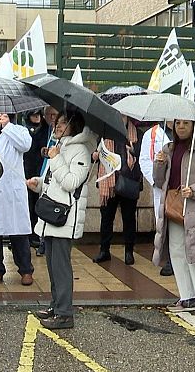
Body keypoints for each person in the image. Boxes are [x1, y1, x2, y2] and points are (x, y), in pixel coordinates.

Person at [27, 111, 95, 330]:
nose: (56, 125)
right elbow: (53, 183)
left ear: (73, 125)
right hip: (51, 215)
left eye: (62, 122)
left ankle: (65, 313)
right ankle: (56, 306)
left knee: (61, 268)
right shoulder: (61, 147)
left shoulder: (81, 150)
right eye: (57, 122)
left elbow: (71, 182)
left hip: (66, 218)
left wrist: (55, 159)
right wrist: (38, 184)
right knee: (52, 266)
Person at [152, 119, 195, 317]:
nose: (181, 127)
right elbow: (159, 181)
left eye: (186, 123)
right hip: (173, 207)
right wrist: (159, 164)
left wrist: (194, 190)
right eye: (178, 123)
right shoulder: (169, 149)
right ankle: (187, 297)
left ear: (193, 125)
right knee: (177, 253)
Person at [0, 113, 34, 286]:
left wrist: (7, 127)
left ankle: (26, 270)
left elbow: (25, 146)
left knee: (18, 231)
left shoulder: (19, 130)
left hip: (13, 190)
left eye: (4, 113)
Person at [93, 117, 142, 265]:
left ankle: (129, 252)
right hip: (109, 182)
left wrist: (133, 150)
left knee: (129, 218)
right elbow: (98, 153)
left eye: (123, 115)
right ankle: (104, 250)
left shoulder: (137, 133)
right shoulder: (105, 132)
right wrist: (94, 155)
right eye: (117, 114)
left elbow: (144, 155)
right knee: (106, 218)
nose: (120, 118)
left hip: (129, 181)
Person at [138, 121, 173, 276]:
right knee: (165, 223)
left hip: (182, 187)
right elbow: (144, 160)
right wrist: (155, 181)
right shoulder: (151, 134)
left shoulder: (189, 133)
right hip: (161, 187)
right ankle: (170, 260)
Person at [24, 105, 59, 255]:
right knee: (27, 205)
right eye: (34, 115)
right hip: (28, 172)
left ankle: (39, 238)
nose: (37, 118)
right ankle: (28, 235)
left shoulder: (49, 131)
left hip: (44, 172)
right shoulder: (23, 130)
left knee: (41, 206)